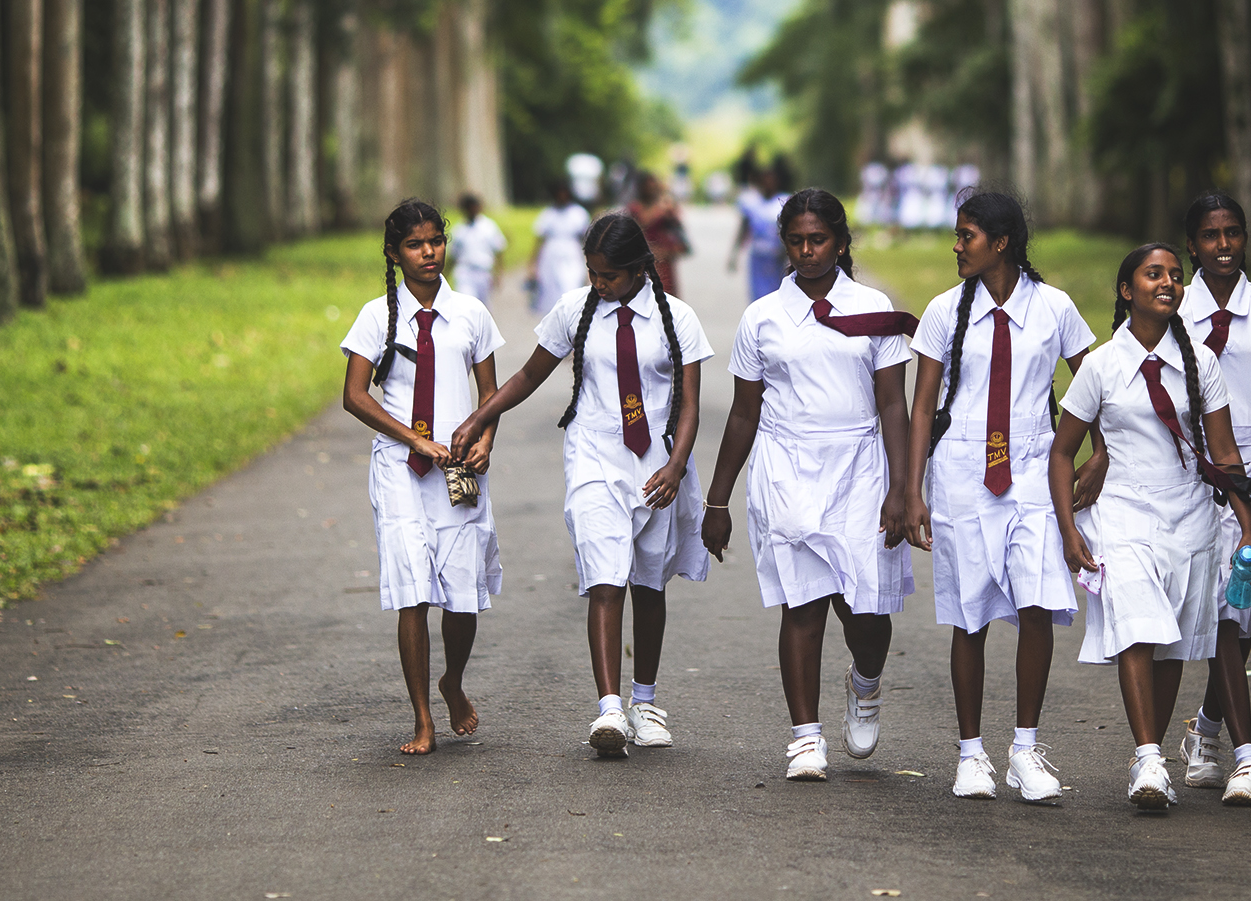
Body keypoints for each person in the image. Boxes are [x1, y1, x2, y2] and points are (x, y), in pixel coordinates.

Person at [451, 214, 713, 760]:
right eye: (593, 273)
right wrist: (480, 417)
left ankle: (645, 702)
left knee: (648, 581)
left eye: (610, 276)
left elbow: (688, 404)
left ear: (641, 268)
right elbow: (528, 375)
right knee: (604, 574)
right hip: (595, 454)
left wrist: (677, 466)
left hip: (656, 462)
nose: (599, 283)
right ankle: (610, 707)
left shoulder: (677, 318)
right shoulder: (576, 309)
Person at [702, 189, 919, 783]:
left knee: (864, 609)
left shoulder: (874, 309)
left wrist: (901, 489)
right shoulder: (763, 317)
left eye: (817, 239)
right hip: (787, 465)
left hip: (859, 466)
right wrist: (716, 500)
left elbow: (894, 404)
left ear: (841, 243)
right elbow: (744, 412)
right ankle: (805, 737)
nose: (806, 250)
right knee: (802, 604)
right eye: (795, 241)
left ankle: (865, 683)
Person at [1048, 242, 1251, 811]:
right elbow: (1063, 452)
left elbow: (1224, 454)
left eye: (1173, 275)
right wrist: (1070, 530)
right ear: (1127, 290)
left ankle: (1153, 757)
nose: (1167, 282)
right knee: (1139, 629)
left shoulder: (1201, 365)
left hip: (1190, 515)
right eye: (1152, 274)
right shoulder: (1101, 365)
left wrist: (1247, 529)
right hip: (1123, 513)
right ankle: (1147, 757)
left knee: (1169, 646)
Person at [903, 191, 1101, 803]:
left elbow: (1094, 381)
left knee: (1037, 605)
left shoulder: (1055, 307)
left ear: (1001, 241)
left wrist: (1102, 453)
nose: (957, 246)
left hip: (1035, 468)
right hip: (964, 471)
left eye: (966, 235)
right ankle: (970, 754)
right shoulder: (944, 310)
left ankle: (1024, 748)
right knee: (970, 613)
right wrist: (911, 489)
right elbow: (922, 405)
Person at [338, 199, 504, 756]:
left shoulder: (472, 314)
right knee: (413, 589)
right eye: (415, 244)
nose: (428, 252)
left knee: (460, 598)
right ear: (393, 253)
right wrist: (413, 438)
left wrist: (483, 442)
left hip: (456, 471)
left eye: (435, 241)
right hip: (401, 468)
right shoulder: (376, 317)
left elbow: (490, 396)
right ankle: (422, 719)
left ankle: (452, 680)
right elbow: (354, 395)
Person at [1173, 192, 1251, 805]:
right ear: (1192, 244)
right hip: (1196, 470)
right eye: (1209, 235)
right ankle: (1246, 755)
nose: (1222, 245)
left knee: (1242, 614)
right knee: (1222, 613)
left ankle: (1205, 728)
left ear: (1245, 239)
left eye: (1232, 234)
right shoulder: (1173, 305)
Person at [730, 162, 790, 301]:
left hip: (776, 257)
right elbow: (743, 229)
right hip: (758, 257)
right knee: (758, 296)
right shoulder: (751, 202)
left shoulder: (784, 202)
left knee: (777, 294)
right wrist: (734, 254)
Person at [531, 182, 591, 314]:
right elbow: (539, 239)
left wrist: (589, 262)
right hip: (551, 255)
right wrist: (532, 264)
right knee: (551, 292)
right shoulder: (548, 214)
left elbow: (586, 239)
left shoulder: (578, 213)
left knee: (571, 285)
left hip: (572, 253)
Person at [626, 170, 690, 295]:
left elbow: (680, 238)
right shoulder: (633, 209)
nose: (650, 189)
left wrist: (668, 251)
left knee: (666, 299)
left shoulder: (666, 210)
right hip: (640, 261)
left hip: (663, 262)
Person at [448, 193, 507, 304]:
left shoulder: (489, 226)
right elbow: (452, 256)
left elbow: (499, 250)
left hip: (483, 272)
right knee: (466, 304)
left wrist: (498, 273)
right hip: (465, 272)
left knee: (483, 308)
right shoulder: (458, 230)